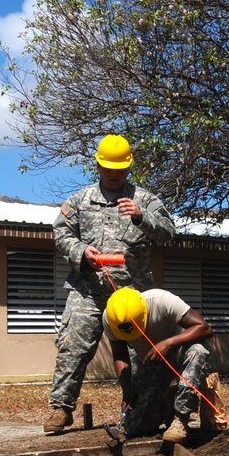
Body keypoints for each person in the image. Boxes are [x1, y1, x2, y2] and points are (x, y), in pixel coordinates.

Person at [43, 134, 176, 434]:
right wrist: (80, 252)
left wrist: (143, 218)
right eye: (109, 169)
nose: (114, 174)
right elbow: (61, 233)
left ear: (128, 168)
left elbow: (169, 231)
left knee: (138, 355)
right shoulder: (79, 200)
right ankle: (60, 409)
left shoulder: (144, 200)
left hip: (132, 292)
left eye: (120, 169)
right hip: (87, 289)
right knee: (72, 345)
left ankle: (137, 412)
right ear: (99, 166)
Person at [102, 286, 213, 445]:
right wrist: (127, 389)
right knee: (136, 427)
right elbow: (120, 355)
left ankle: (180, 420)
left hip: (180, 352)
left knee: (198, 350)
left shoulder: (162, 301)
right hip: (151, 361)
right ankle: (169, 401)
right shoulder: (110, 319)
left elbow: (205, 328)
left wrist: (168, 343)